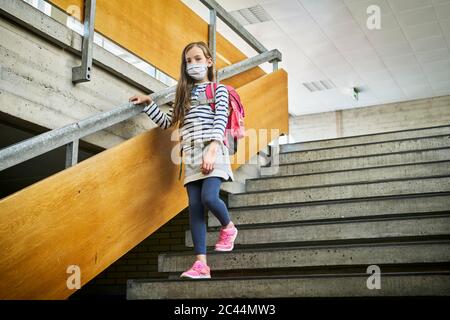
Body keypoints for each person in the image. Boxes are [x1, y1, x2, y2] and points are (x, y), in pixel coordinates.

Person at [129, 41, 238, 279]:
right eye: (189, 61)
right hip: (190, 155)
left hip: (212, 148)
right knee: (195, 208)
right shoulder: (184, 93)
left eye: (198, 59)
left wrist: (211, 149)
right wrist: (149, 103)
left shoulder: (218, 90)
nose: (193, 64)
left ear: (209, 61)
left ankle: (228, 227)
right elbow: (169, 123)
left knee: (209, 197)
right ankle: (201, 265)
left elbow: (220, 119)